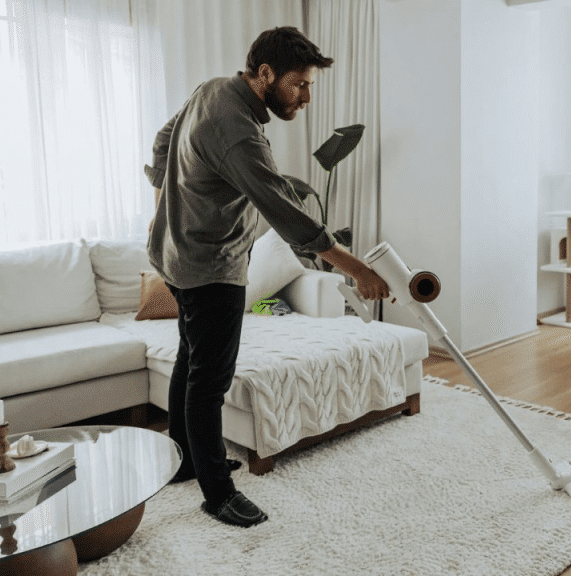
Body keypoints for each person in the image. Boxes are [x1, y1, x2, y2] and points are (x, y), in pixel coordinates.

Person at [145, 26, 390, 528]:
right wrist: (359, 269)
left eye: (309, 86)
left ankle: (187, 460)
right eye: (298, 84)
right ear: (264, 75)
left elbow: (164, 138)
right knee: (208, 381)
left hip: (173, 255)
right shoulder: (237, 130)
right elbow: (289, 214)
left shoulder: (213, 87)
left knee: (191, 357)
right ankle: (218, 494)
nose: (303, 97)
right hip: (209, 266)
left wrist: (162, 201)